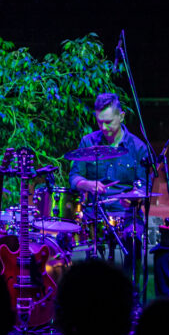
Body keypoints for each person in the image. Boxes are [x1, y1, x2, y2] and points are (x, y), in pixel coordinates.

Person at [68, 93, 152, 261]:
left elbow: (144, 186)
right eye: (100, 122)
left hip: (126, 215)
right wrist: (88, 184)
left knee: (133, 242)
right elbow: (74, 177)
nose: (104, 128)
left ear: (121, 117)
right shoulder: (88, 142)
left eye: (108, 122)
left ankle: (129, 285)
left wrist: (134, 199)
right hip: (94, 214)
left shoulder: (138, 148)